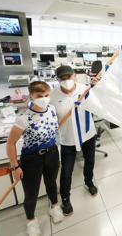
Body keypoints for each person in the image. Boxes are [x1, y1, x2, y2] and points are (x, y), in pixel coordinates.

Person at [6, 81, 63, 236]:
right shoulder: (23, 118)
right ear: (31, 95)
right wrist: (15, 166)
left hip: (52, 153)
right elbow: (10, 144)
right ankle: (31, 220)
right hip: (32, 158)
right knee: (31, 192)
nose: (44, 99)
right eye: (39, 96)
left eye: (46, 95)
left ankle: (55, 207)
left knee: (51, 183)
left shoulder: (51, 109)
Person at [50, 65, 98, 216]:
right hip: (68, 139)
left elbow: (100, 102)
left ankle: (89, 181)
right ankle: (65, 198)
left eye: (69, 77)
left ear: (75, 76)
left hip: (87, 134)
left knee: (90, 161)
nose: (66, 81)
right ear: (57, 80)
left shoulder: (85, 88)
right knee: (66, 171)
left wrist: (98, 87)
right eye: (62, 78)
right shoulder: (52, 96)